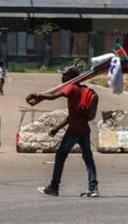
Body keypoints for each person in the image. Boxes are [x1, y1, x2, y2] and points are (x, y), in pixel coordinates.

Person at [27, 66, 99, 198]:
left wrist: (37, 95)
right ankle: (93, 188)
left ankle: (54, 187)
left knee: (60, 156)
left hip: (73, 131)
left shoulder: (71, 87)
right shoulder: (81, 89)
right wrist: (57, 128)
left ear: (70, 77)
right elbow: (72, 115)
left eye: (64, 75)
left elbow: (53, 96)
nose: (62, 77)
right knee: (88, 158)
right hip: (84, 130)